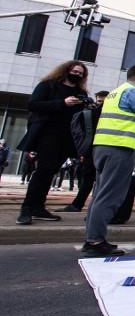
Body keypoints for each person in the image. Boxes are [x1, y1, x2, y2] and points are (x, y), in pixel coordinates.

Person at [82, 65, 135, 257]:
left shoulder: (114, 93)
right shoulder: (134, 93)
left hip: (102, 146)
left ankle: (92, 238)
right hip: (119, 149)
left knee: (100, 194)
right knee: (110, 196)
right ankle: (95, 242)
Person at [16, 60, 89, 225]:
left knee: (51, 171)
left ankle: (38, 206)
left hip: (67, 137)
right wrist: (62, 103)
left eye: (81, 74)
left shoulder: (80, 91)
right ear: (66, 70)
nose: (77, 75)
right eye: (75, 71)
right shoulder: (48, 85)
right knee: (43, 170)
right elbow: (33, 105)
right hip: (48, 134)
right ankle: (27, 209)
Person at [58, 90, 108, 214]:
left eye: (103, 101)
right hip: (91, 150)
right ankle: (78, 204)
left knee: (99, 180)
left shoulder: (105, 112)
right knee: (88, 178)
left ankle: (87, 206)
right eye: (99, 101)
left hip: (102, 148)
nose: (100, 104)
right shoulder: (90, 111)